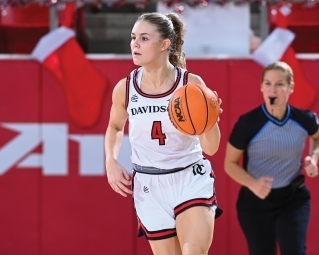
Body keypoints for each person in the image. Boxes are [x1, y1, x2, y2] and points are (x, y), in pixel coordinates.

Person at [105, 12, 222, 255]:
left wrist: (210, 119)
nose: (135, 44)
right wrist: (111, 161)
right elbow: (115, 127)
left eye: (144, 38)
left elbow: (211, 148)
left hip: (189, 177)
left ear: (164, 44)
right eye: (133, 37)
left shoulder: (191, 83)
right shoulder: (125, 87)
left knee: (194, 252)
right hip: (149, 184)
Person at [224, 61, 319, 255]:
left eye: (279, 84)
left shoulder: (304, 119)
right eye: (267, 83)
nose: (273, 89)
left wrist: (314, 158)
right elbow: (230, 164)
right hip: (256, 202)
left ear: (290, 88)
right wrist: (253, 184)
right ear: (261, 87)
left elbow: (317, 138)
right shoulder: (248, 123)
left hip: (293, 198)